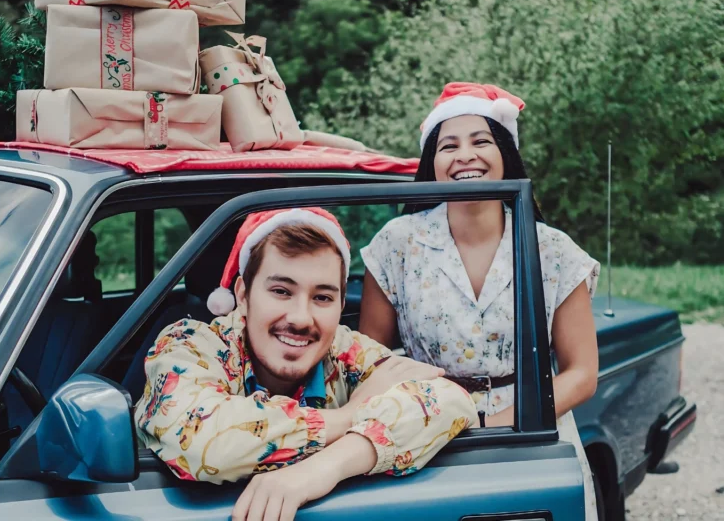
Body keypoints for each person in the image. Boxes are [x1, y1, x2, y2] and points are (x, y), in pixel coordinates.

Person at [135, 207, 477, 521]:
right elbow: (199, 439)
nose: (301, 318)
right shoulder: (188, 346)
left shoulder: (346, 350)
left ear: (342, 304)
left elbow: (450, 400)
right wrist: (347, 416)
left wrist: (321, 470)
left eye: (322, 298)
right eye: (282, 291)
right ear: (242, 295)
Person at [358, 82, 602, 520]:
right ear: (432, 164)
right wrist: (421, 412)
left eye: (481, 141)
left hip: (535, 436)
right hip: (424, 432)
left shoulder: (554, 250)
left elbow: (582, 372)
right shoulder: (396, 244)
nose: (465, 155)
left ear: (505, 154)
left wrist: (499, 422)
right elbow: (368, 359)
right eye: (448, 145)